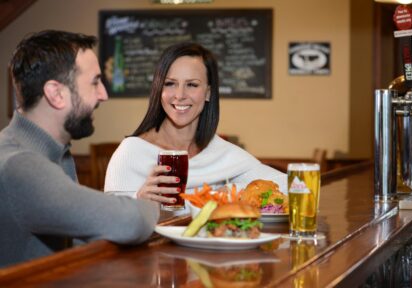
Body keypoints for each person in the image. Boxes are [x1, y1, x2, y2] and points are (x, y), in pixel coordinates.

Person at [0, 30, 159, 268]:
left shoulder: (53, 151)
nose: (103, 95)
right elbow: (133, 221)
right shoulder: (20, 164)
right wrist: (153, 205)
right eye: (95, 82)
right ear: (56, 94)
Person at [104, 42, 286, 211]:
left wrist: (232, 190)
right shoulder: (131, 152)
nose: (180, 95)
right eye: (170, 84)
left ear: (207, 93)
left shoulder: (221, 152)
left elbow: (290, 186)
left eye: (192, 85)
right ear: (159, 90)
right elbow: (111, 223)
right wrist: (140, 202)